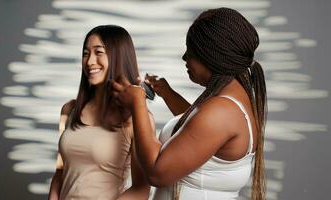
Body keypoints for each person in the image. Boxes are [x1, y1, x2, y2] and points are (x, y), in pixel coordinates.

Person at [112, 7, 267, 200]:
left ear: (212, 55)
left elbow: (157, 173)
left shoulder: (221, 112)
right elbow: (197, 134)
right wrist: (168, 94)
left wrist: (137, 104)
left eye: (191, 52)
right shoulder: (231, 103)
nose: (184, 58)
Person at [48, 25, 150, 200]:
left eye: (99, 52)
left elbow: (141, 190)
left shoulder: (136, 117)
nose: (89, 62)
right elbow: (60, 171)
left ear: (118, 56)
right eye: (86, 53)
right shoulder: (69, 110)